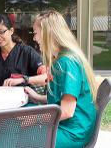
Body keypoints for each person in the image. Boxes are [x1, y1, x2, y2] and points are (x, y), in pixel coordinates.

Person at [25, 10, 97, 147]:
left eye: (35, 33)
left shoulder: (67, 63)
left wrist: (35, 119)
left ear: (47, 34)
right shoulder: (61, 59)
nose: (34, 38)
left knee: (19, 137)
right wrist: (38, 97)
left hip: (72, 133)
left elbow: (67, 111)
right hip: (68, 126)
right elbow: (61, 98)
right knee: (22, 115)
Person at [0, 14, 47, 88]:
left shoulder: (27, 52)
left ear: (11, 31)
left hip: (23, 98)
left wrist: (23, 79)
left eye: (1, 32)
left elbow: (45, 77)